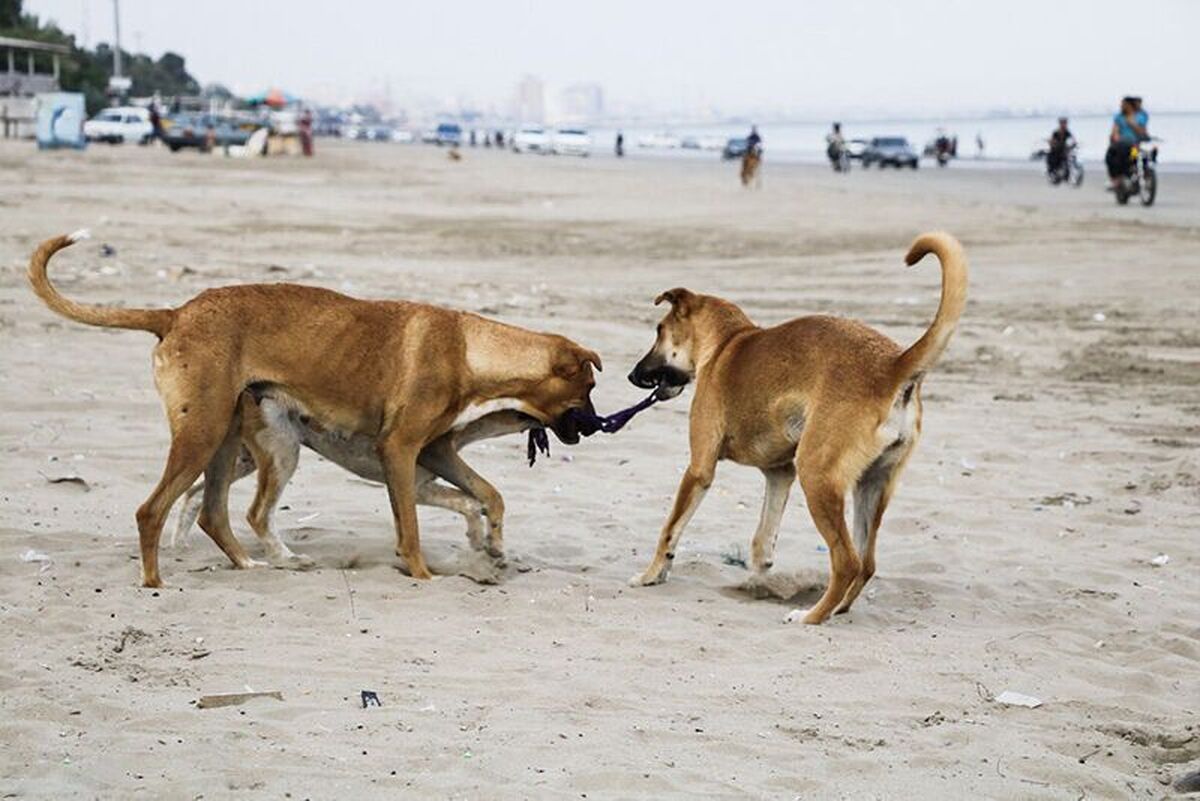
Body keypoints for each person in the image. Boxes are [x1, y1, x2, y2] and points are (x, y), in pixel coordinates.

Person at [1106, 96, 1149, 190]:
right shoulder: (1119, 117)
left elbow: (1142, 131)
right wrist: (1115, 136)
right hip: (1120, 145)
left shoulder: (1140, 116)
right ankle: (1115, 179)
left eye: (1123, 104)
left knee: (1134, 157)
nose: (1121, 106)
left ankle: (1136, 175)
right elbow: (1115, 130)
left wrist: (1131, 123)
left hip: (1134, 146)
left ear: (1129, 105)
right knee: (1111, 156)